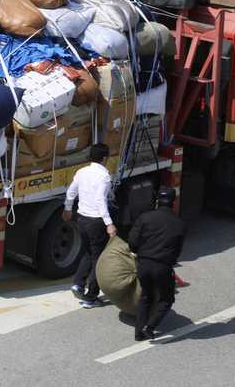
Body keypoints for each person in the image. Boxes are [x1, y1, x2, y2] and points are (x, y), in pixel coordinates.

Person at [128, 187, 186, 341]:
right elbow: (177, 250)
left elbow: (132, 242)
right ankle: (150, 327)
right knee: (167, 299)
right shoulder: (179, 223)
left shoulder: (145, 218)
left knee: (145, 296)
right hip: (163, 266)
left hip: (144, 265)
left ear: (157, 201)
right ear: (173, 203)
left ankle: (138, 333)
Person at [63, 143, 116, 308]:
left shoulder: (81, 172)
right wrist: (109, 223)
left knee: (88, 253)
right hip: (96, 221)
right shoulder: (104, 176)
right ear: (105, 158)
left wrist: (67, 208)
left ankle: (78, 283)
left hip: (82, 219)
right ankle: (91, 297)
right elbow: (101, 200)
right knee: (98, 259)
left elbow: (71, 191)